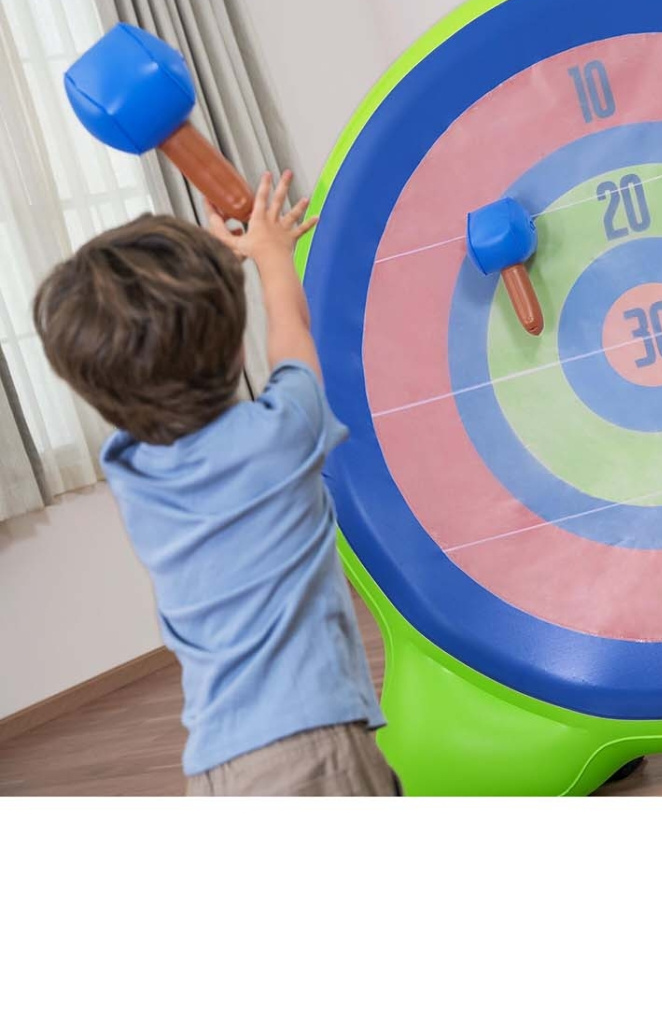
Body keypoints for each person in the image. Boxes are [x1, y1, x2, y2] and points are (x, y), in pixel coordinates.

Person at [33, 172, 397, 796]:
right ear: (231, 346)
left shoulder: (129, 468)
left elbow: (151, 362)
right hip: (312, 748)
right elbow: (292, 332)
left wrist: (213, 280)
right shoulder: (281, 436)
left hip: (215, 765)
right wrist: (268, 256)